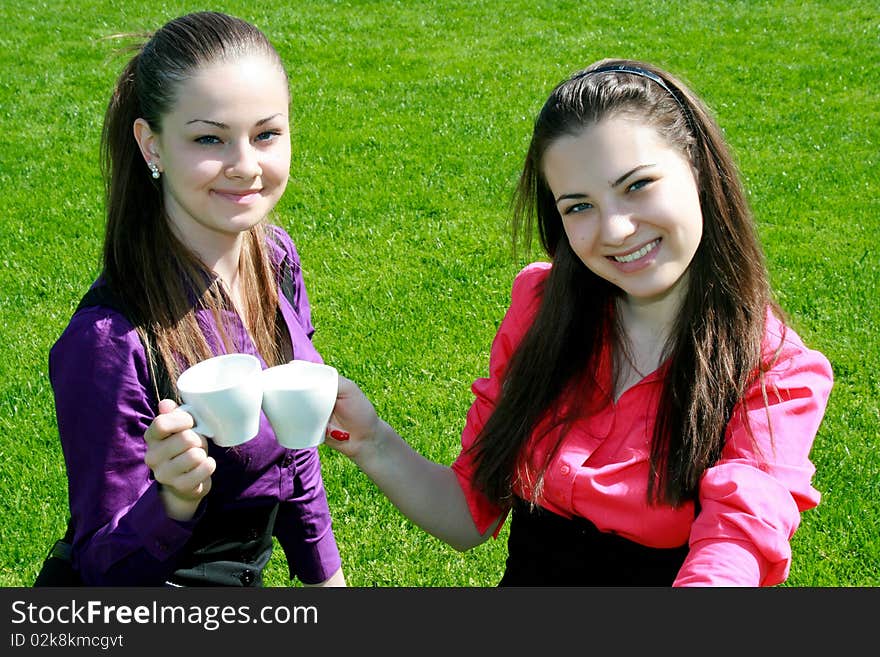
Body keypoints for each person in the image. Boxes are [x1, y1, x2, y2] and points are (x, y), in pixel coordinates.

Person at [324, 58, 834, 586]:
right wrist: (372, 441)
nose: (614, 229)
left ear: (699, 168)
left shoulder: (776, 372)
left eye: (637, 185)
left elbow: (737, 539)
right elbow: (467, 515)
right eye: (578, 206)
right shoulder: (540, 306)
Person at [48, 11, 345, 586]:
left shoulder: (274, 258)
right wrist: (176, 500)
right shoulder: (110, 341)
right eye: (209, 138)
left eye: (266, 134)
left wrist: (328, 583)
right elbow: (102, 571)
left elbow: (294, 451)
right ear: (151, 144)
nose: (245, 166)